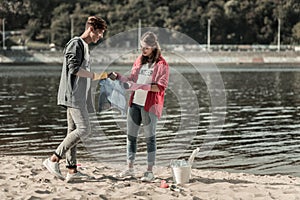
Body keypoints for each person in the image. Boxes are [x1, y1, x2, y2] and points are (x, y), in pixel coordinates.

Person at [43, 16, 108, 183]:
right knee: (85, 129)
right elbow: (74, 69)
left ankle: (72, 171)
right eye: (99, 33)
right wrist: (96, 75)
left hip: (79, 96)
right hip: (72, 96)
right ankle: (53, 159)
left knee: (73, 132)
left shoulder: (85, 46)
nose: (100, 37)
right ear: (91, 29)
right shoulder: (76, 43)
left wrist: (104, 76)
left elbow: (84, 72)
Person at [111, 31, 169, 182]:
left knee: (150, 138)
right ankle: (130, 168)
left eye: (146, 48)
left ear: (154, 47)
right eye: (141, 47)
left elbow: (160, 87)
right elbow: (131, 79)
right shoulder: (139, 61)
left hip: (150, 107)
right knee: (131, 137)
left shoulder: (162, 64)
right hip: (135, 104)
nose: (142, 50)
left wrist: (141, 86)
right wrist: (119, 77)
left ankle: (149, 171)